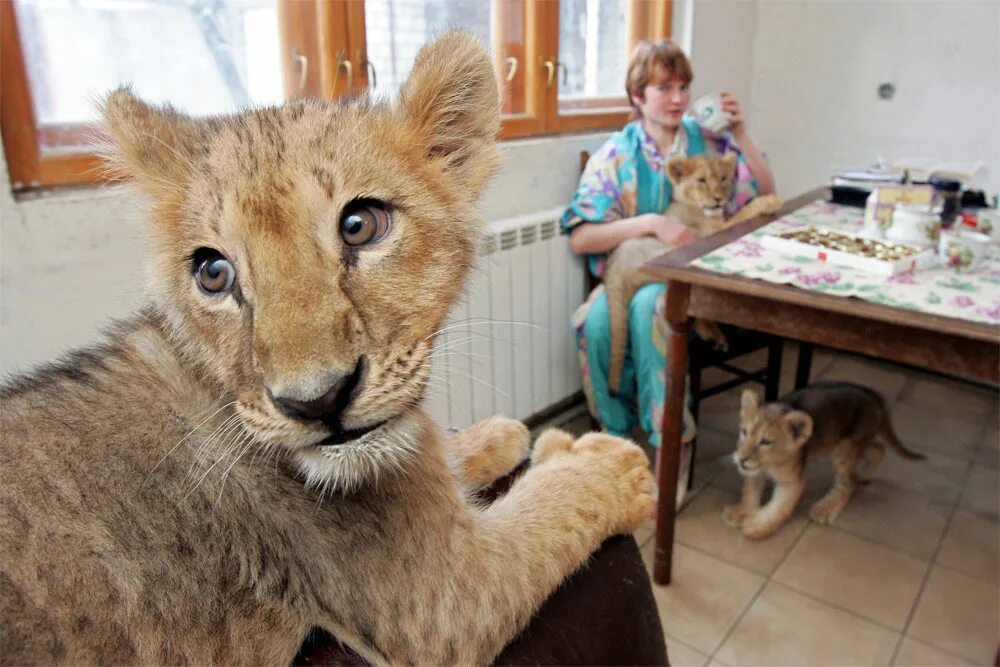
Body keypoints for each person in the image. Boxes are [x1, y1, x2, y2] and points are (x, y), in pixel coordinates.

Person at [560, 40, 776, 497]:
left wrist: (739, 133)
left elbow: (763, 189)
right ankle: (615, 441)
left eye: (683, 87)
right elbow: (582, 236)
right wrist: (652, 224)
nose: (678, 98)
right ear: (638, 95)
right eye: (664, 87)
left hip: (694, 284)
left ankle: (673, 447)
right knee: (596, 324)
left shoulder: (709, 142)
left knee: (650, 313)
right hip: (635, 272)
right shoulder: (617, 154)